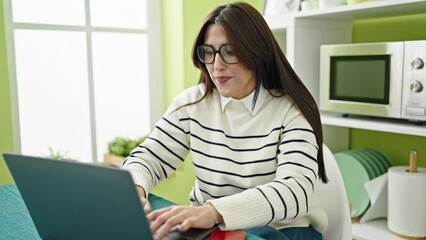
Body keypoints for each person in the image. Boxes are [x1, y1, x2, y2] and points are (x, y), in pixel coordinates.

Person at [122, 2, 328, 240]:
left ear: (256, 52)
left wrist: (213, 211)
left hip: (284, 229)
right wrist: (134, 191)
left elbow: (294, 192)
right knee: (155, 217)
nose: (216, 66)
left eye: (229, 51)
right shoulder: (192, 104)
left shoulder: (291, 112)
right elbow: (148, 158)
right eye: (208, 52)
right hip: (215, 223)